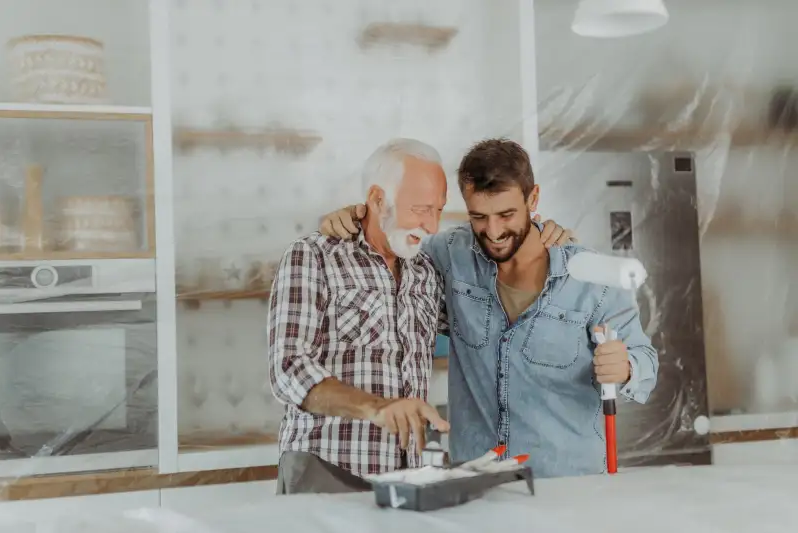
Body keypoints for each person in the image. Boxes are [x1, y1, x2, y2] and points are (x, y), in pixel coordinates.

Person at [319, 138, 659, 479]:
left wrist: (626, 368)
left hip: (567, 484)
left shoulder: (590, 276)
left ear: (533, 199)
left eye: (506, 214)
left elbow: (646, 362)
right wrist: (358, 216)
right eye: (478, 217)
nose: (493, 232)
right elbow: (393, 244)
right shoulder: (448, 254)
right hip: (476, 484)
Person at [269, 138, 572, 480]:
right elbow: (288, 370)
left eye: (438, 210)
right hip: (326, 471)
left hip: (407, 478)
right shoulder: (314, 257)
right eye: (420, 209)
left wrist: (540, 236)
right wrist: (377, 408)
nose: (431, 226)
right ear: (378, 199)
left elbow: (486, 329)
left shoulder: (426, 272)